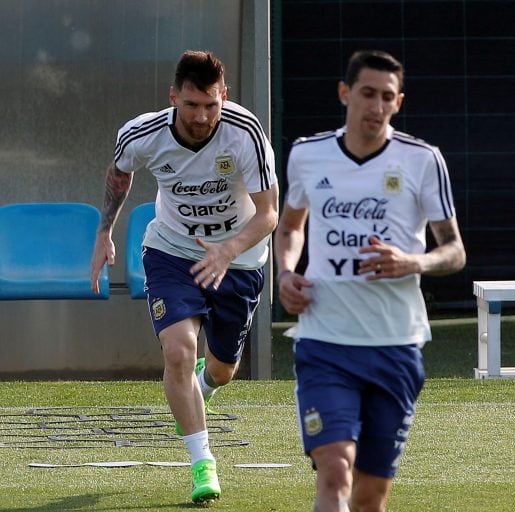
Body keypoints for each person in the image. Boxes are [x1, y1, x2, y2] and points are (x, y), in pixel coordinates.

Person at [275, 49, 466, 511]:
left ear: (399, 102)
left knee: (370, 495)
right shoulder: (308, 153)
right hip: (325, 341)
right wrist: (284, 272)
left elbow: (455, 251)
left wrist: (411, 261)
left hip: (395, 345)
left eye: (387, 97)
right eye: (367, 94)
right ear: (345, 94)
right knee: (335, 471)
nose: (376, 107)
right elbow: (290, 226)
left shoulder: (422, 160)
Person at [90, 50, 278, 505]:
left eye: (211, 105)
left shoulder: (246, 133)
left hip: (240, 260)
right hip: (171, 250)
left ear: (224, 97)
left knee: (223, 369)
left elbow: (269, 213)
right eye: (192, 105)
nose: (202, 116)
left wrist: (228, 250)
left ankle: (206, 385)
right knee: (178, 351)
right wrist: (104, 233)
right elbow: (119, 175)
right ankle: (202, 463)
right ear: (174, 97)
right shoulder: (142, 134)